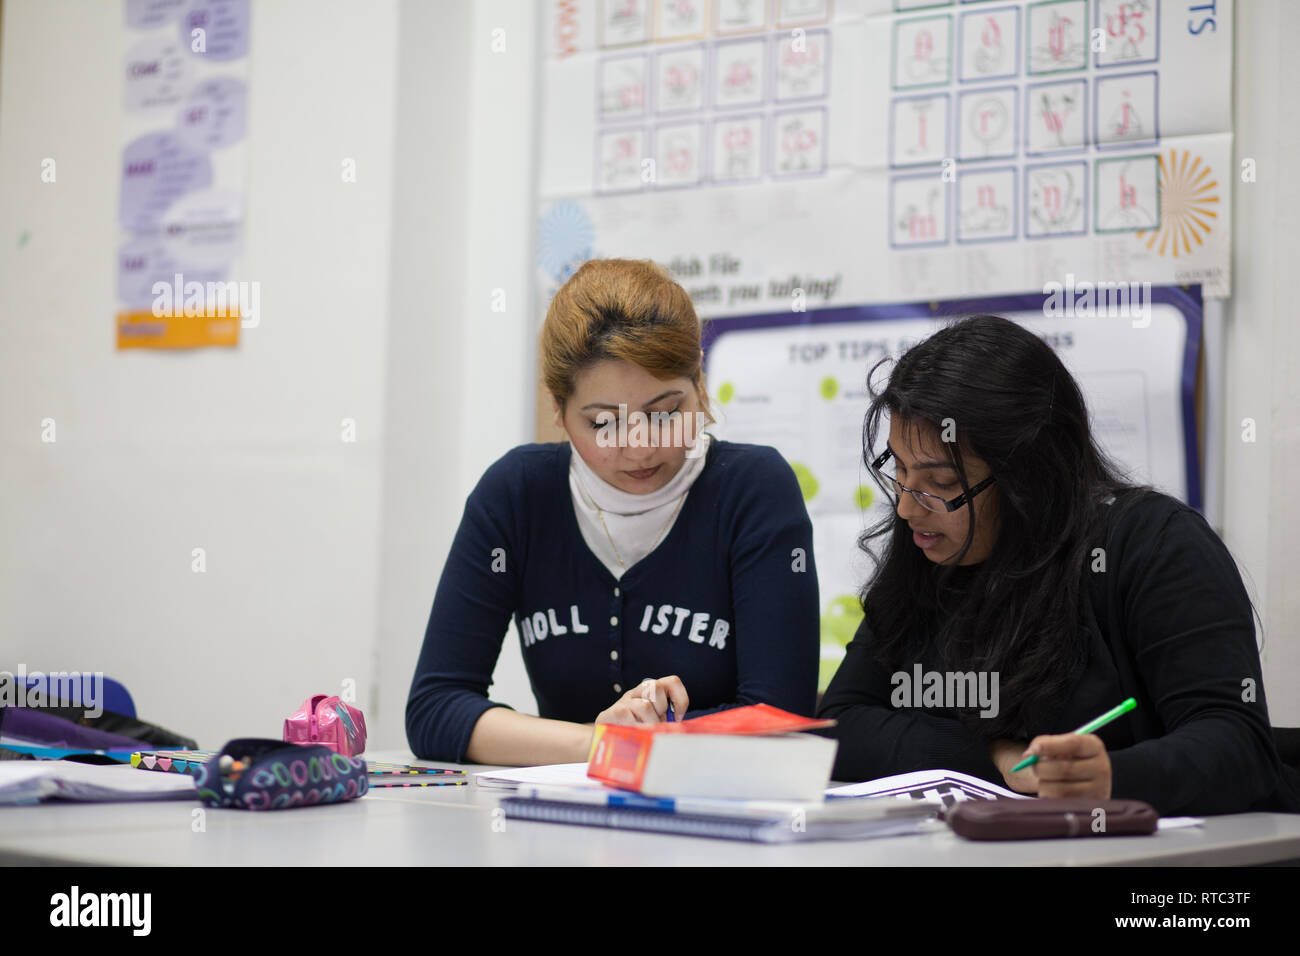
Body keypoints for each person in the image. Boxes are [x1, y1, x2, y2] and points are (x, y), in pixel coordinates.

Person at [817, 314, 1300, 816]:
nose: (907, 507)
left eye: (941, 484)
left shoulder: (1153, 545)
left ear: (1027, 475)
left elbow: (1237, 744)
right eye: (898, 468)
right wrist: (989, 753)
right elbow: (840, 723)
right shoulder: (927, 549)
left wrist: (1112, 776)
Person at [407, 258, 819, 766]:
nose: (641, 448)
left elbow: (779, 717)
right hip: (562, 825)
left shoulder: (752, 489)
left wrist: (632, 742)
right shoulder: (517, 495)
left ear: (699, 384)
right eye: (605, 424)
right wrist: (600, 741)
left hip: (719, 824)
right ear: (558, 411)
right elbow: (434, 709)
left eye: (666, 414)